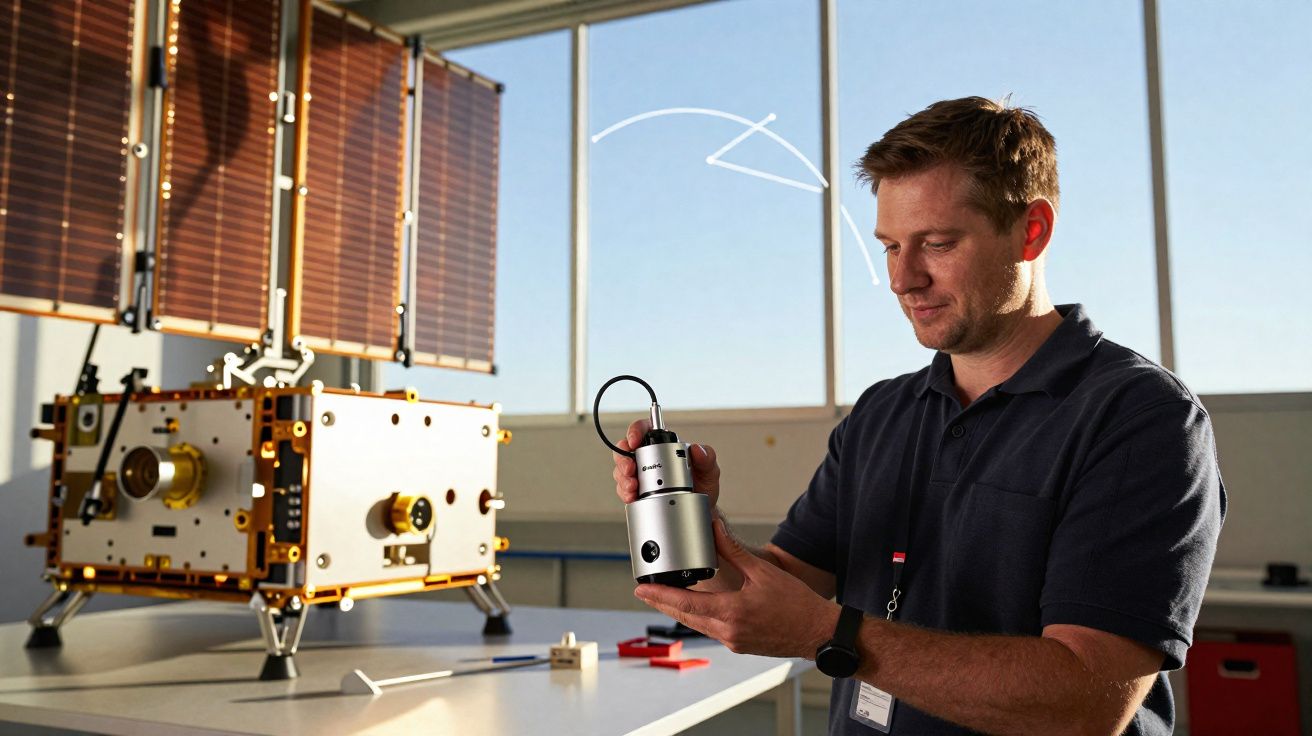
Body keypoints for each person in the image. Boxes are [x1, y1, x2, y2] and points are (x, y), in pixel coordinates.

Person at [611, 96, 1225, 735]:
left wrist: (832, 632)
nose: (903, 279)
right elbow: (758, 600)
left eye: (936, 243)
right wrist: (686, 522)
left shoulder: (1139, 417)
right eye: (889, 246)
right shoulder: (882, 413)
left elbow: (1086, 701)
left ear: (1031, 230)